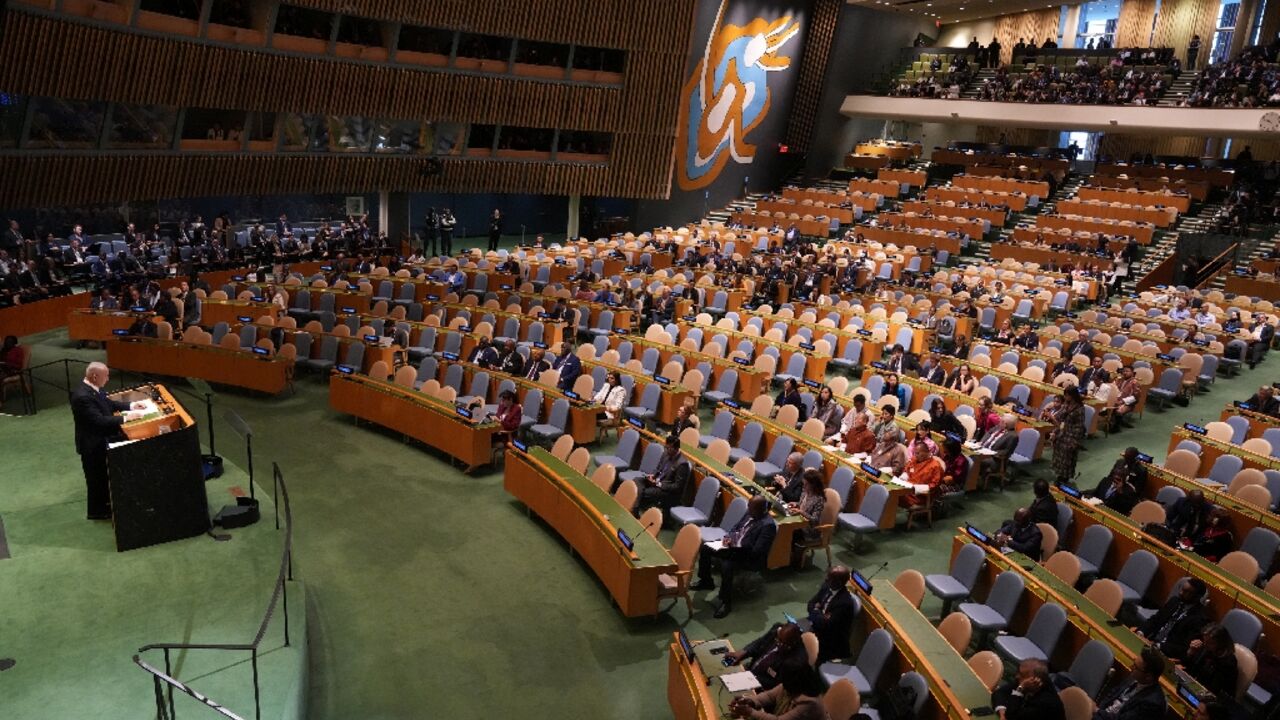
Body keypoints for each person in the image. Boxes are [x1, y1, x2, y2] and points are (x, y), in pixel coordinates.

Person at [71, 362, 147, 520]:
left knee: (103, 477)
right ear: (94, 376)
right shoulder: (82, 397)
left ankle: (106, 507)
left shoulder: (93, 389)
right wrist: (126, 418)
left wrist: (131, 406)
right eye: (106, 376)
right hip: (93, 444)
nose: (108, 378)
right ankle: (98, 512)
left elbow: (109, 404)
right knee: (96, 479)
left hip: (100, 439)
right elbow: (98, 421)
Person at [693, 495, 778, 618]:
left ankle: (725, 602)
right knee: (706, 547)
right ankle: (706, 581)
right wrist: (729, 538)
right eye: (749, 507)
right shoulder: (750, 513)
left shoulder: (768, 526)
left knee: (727, 565)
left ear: (761, 509)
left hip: (748, 556)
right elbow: (736, 527)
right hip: (733, 547)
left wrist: (735, 546)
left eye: (752, 509)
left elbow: (757, 551)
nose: (749, 510)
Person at [722, 622, 810, 691]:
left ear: (792, 644)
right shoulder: (777, 630)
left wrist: (751, 678)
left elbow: (777, 685)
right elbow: (760, 643)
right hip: (751, 670)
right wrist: (743, 652)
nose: (778, 643)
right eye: (778, 639)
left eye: (782, 643)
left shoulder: (795, 662)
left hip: (762, 686)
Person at [1137, 577, 1209, 661]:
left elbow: (1184, 648)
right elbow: (1155, 619)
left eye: (1186, 592)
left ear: (1197, 597)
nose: (1181, 593)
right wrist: (1141, 632)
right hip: (1149, 642)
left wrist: (1159, 646)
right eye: (1182, 589)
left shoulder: (1199, 619)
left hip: (1165, 654)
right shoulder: (1174, 601)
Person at [1093, 647, 1168, 720]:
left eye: (1136, 667)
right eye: (1134, 663)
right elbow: (1112, 694)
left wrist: (1097, 711)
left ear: (1148, 677)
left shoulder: (1152, 704)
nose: (1131, 667)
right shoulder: (1135, 677)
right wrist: (1098, 710)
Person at [727, 666, 826, 720]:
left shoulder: (810, 703)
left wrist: (750, 712)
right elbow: (769, 696)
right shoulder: (790, 684)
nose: (783, 686)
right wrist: (750, 701)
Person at [805, 566, 856, 663]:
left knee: (801, 648)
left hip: (829, 639)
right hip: (816, 626)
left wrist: (816, 610)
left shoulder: (844, 603)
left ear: (839, 583)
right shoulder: (826, 586)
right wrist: (818, 613)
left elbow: (825, 625)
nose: (826, 579)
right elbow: (810, 604)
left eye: (830, 578)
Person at [991, 659, 1066, 720]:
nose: (1017, 676)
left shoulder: (1046, 703)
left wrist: (1020, 689)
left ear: (1036, 680)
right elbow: (999, 693)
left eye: (1022, 675)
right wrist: (1002, 712)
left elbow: (1011, 716)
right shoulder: (1025, 679)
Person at [1182, 624, 1239, 700]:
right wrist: (1190, 652)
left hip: (1213, 699)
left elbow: (1215, 689)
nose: (1205, 644)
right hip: (1197, 689)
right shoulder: (1207, 649)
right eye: (1205, 641)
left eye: (1210, 643)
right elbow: (1191, 669)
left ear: (1221, 644)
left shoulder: (1228, 662)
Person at [638, 434, 690, 513]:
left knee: (644, 492)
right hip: (656, 481)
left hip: (666, 491)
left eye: (669, 448)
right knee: (637, 480)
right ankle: (635, 507)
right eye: (666, 447)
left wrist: (659, 484)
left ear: (676, 449)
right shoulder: (666, 453)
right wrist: (653, 476)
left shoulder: (682, 464)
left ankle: (637, 509)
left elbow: (677, 487)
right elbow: (658, 468)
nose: (666, 450)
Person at [789, 469, 827, 567]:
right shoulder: (805, 492)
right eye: (804, 483)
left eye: (806, 484)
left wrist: (801, 512)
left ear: (813, 485)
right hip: (799, 521)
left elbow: (815, 519)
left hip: (810, 530)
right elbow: (801, 504)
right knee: (786, 529)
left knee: (790, 532)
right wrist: (796, 504)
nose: (804, 486)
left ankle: (793, 559)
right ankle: (785, 556)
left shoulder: (819, 499)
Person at [1050, 387, 1086, 485]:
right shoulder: (1066, 404)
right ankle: (1060, 475)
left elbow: (1079, 427)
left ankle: (1064, 477)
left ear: (1072, 396)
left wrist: (1074, 441)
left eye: (1067, 395)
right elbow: (1060, 416)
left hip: (1072, 435)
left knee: (1067, 458)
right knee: (1059, 456)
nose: (1065, 397)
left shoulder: (1080, 409)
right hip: (1062, 432)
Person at [900, 442, 942, 510]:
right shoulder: (914, 459)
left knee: (894, 496)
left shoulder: (935, 466)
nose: (915, 455)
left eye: (918, 453)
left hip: (919, 496)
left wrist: (915, 488)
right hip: (906, 489)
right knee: (891, 491)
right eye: (915, 453)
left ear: (927, 452)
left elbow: (934, 485)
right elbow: (907, 470)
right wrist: (902, 479)